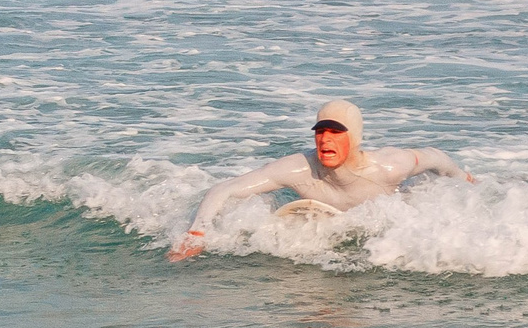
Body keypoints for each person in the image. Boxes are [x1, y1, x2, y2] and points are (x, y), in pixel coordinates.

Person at [166, 99, 471, 262]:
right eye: (320, 132)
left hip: (392, 217)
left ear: (354, 137)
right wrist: (196, 235)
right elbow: (225, 189)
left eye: (336, 132)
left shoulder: (389, 166)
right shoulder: (300, 169)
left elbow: (434, 158)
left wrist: (464, 179)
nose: (325, 139)